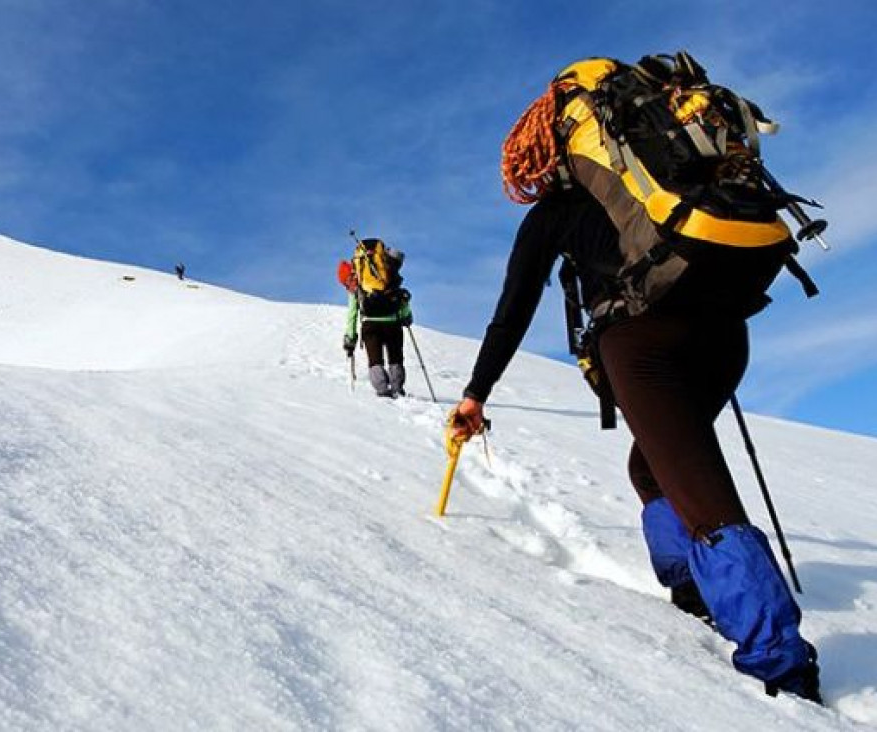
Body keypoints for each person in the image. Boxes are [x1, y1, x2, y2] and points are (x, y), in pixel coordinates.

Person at [447, 55, 822, 703]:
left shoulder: (555, 212)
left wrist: (474, 393)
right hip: (723, 330)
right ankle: (690, 588)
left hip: (641, 343)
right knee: (651, 467)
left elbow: (511, 315)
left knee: (702, 499)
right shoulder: (670, 185)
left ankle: (779, 664)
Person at [342, 238, 412, 398]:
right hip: (392, 323)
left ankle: (382, 390)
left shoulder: (359, 284)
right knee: (396, 357)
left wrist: (350, 338)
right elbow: (401, 300)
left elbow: (352, 314)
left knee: (375, 360)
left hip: (370, 325)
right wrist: (406, 317)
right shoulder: (388, 274)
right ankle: (397, 388)